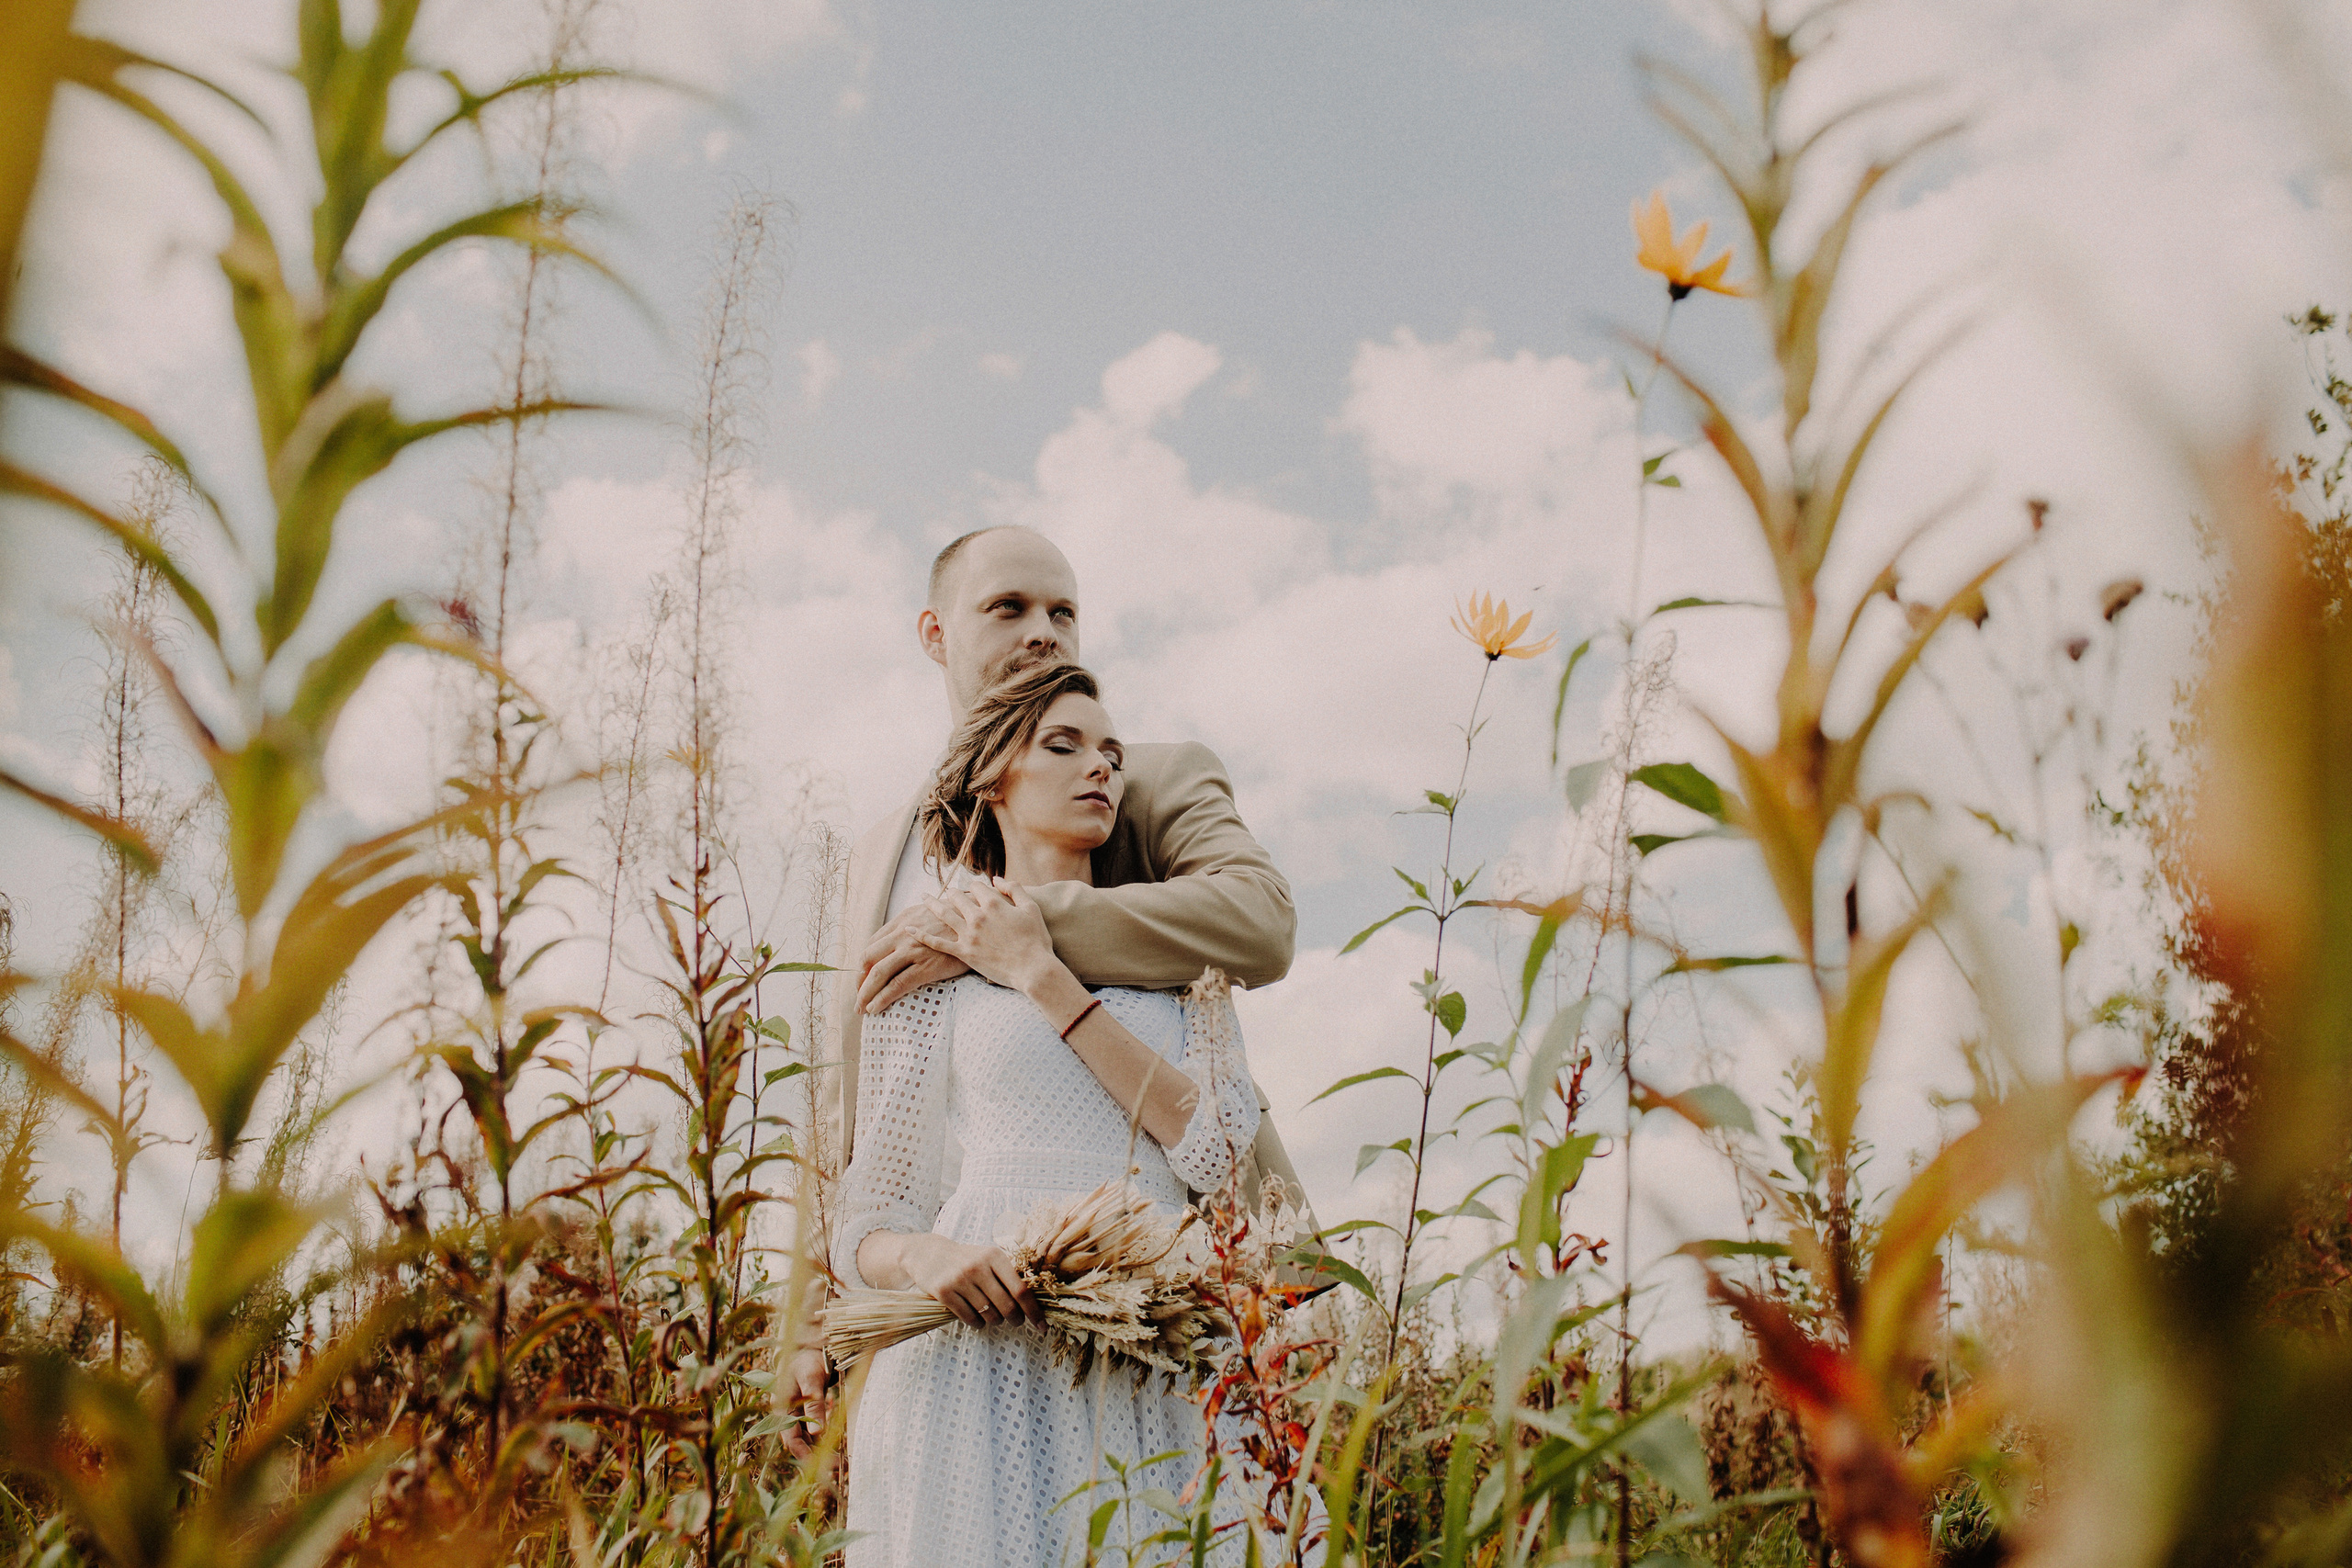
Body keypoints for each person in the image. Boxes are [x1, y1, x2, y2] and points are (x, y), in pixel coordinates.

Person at [784, 525, 1311, 1438]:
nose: (1044, 631)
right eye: (1009, 608)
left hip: (1154, 1293)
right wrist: (806, 1320)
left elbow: (1258, 923)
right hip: (933, 1312)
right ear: (934, 633)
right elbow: (848, 1103)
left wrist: (1016, 932)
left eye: (1064, 611)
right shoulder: (875, 857)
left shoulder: (1141, 783)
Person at [832, 660, 1267, 1565]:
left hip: (1155, 1339)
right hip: (978, 1359)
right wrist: (928, 1257)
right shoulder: (925, 972)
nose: (1100, 767)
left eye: (1112, 753)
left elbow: (1219, 1151)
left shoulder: (1177, 955)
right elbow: (870, 1219)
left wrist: (1040, 972)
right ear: (991, 776)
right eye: (1063, 746)